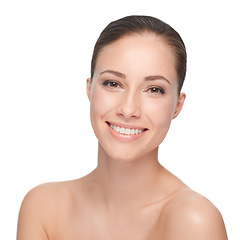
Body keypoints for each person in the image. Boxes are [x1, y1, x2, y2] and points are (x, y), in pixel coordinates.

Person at [17, 15, 228, 239]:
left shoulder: (194, 220)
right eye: (113, 84)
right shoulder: (44, 208)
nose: (128, 110)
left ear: (178, 105)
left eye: (154, 89)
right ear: (90, 89)